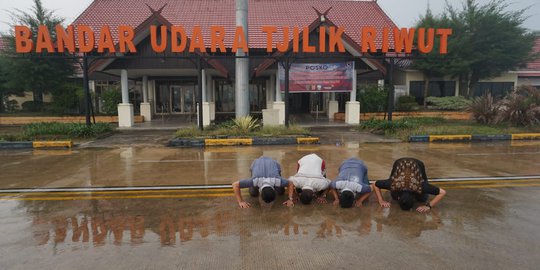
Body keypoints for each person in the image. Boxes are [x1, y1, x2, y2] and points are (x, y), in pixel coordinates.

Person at [373, 158, 446, 213]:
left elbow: (442, 192)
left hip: (418, 164)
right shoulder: (394, 183)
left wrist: (428, 206)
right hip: (400, 163)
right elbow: (375, 184)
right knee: (394, 195)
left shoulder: (419, 186)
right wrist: (381, 201)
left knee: (423, 198)